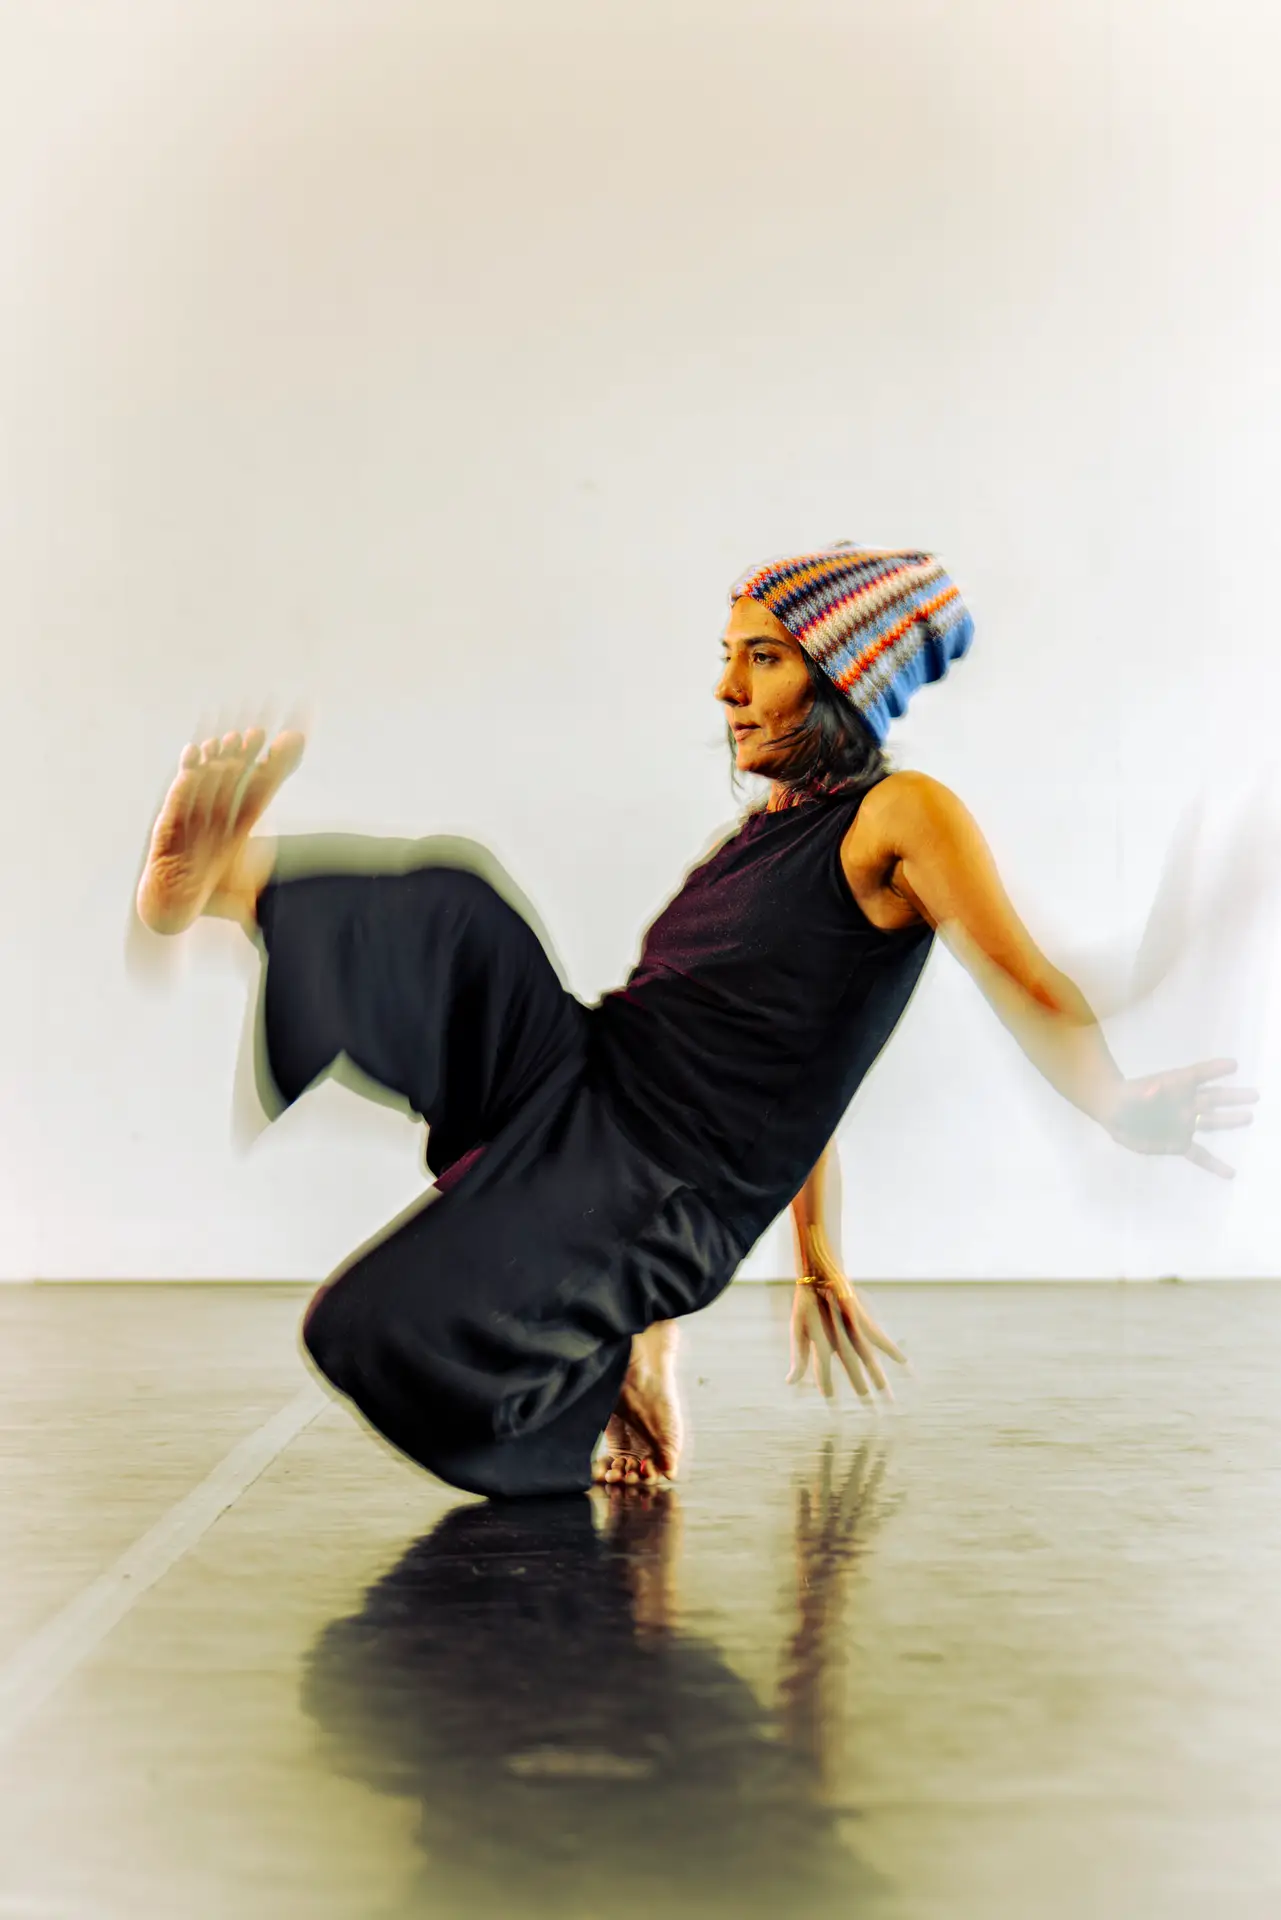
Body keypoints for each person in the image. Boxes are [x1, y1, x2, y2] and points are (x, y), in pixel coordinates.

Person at [133, 542, 1255, 1497]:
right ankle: (223, 884)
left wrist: (1116, 1102)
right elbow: (793, 1059)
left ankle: (596, 1363)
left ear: (842, 677)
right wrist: (814, 1257)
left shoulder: (902, 814)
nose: (726, 689)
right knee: (459, 905)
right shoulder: (756, 840)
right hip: (587, 1077)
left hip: (659, 1175)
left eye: (762, 658)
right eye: (728, 657)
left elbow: (1029, 982)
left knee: (360, 1329)